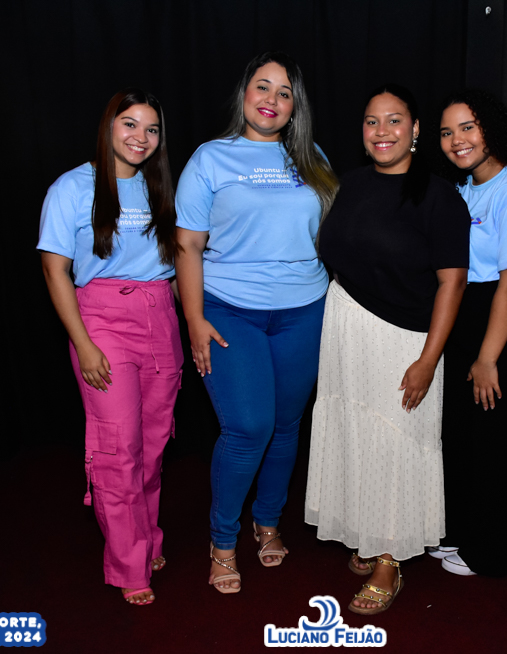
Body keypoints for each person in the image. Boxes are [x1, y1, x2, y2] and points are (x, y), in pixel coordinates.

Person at [174, 51, 337, 594]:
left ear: (295, 106)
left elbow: (331, 236)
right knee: (248, 427)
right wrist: (193, 318)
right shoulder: (210, 158)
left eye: (284, 92)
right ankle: (222, 540)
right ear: (244, 93)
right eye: (262, 87)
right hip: (229, 310)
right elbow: (187, 246)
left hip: (304, 311)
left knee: (287, 426)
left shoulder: (312, 157)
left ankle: (267, 521)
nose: (272, 99)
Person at [305, 84, 470, 615]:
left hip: (404, 340)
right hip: (346, 329)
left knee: (396, 444)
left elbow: (452, 283)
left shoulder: (439, 196)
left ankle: (389, 560)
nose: (382, 131)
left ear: (415, 129)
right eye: (372, 121)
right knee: (356, 435)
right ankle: (367, 531)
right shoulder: (351, 184)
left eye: (394, 120)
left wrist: (428, 360)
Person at [38, 89, 183, 606]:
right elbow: (54, 270)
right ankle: (128, 564)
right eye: (130, 124)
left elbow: (178, 264)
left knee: (153, 447)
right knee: (117, 449)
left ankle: (147, 541)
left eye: (151, 129)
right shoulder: (72, 188)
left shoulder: (160, 186)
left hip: (160, 317)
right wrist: (83, 343)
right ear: (109, 126)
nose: (141, 137)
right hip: (101, 321)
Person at [430, 90, 507, 577]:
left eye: (468, 127)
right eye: (447, 132)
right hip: (468, 317)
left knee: (499, 445)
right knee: (465, 438)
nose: (457, 139)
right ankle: (461, 532)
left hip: (506, 326)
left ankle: (492, 553)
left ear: (491, 130)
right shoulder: (464, 187)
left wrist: (487, 358)